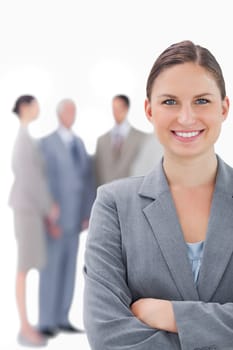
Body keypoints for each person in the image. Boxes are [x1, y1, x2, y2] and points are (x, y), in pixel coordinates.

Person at [83, 40, 233, 349]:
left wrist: (172, 314)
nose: (187, 117)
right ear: (149, 110)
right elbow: (106, 334)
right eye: (170, 102)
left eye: (202, 101)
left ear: (224, 108)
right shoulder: (114, 205)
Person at [38, 99, 94, 337]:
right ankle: (46, 321)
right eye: (68, 111)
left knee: (70, 270)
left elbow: (86, 180)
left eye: (74, 111)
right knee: (50, 270)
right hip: (54, 219)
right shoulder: (46, 144)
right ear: (59, 114)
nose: (71, 115)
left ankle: (62, 317)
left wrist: (86, 213)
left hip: (75, 220)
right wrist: (48, 213)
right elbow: (41, 181)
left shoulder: (79, 143)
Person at [8, 95, 59, 347]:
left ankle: (27, 324)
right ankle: (25, 326)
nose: (39, 108)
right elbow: (31, 180)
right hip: (27, 210)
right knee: (23, 268)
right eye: (36, 104)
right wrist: (49, 207)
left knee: (26, 267)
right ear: (25, 107)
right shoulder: (23, 140)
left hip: (29, 210)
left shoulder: (26, 138)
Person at [94, 94, 148, 186]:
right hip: (107, 195)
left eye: (119, 108)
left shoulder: (141, 139)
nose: (115, 112)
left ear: (126, 109)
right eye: (113, 108)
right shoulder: (102, 141)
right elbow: (97, 173)